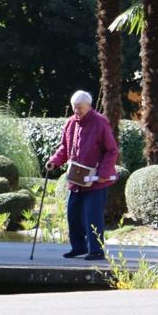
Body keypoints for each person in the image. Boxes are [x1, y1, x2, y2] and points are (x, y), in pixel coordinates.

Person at [46, 90, 120, 260]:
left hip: (95, 181)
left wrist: (103, 173)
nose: (76, 111)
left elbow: (112, 150)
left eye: (79, 107)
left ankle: (96, 250)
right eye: (74, 107)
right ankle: (78, 247)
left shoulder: (100, 122)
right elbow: (64, 148)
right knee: (73, 214)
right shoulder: (71, 122)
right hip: (76, 179)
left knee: (93, 217)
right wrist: (54, 161)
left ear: (89, 106)